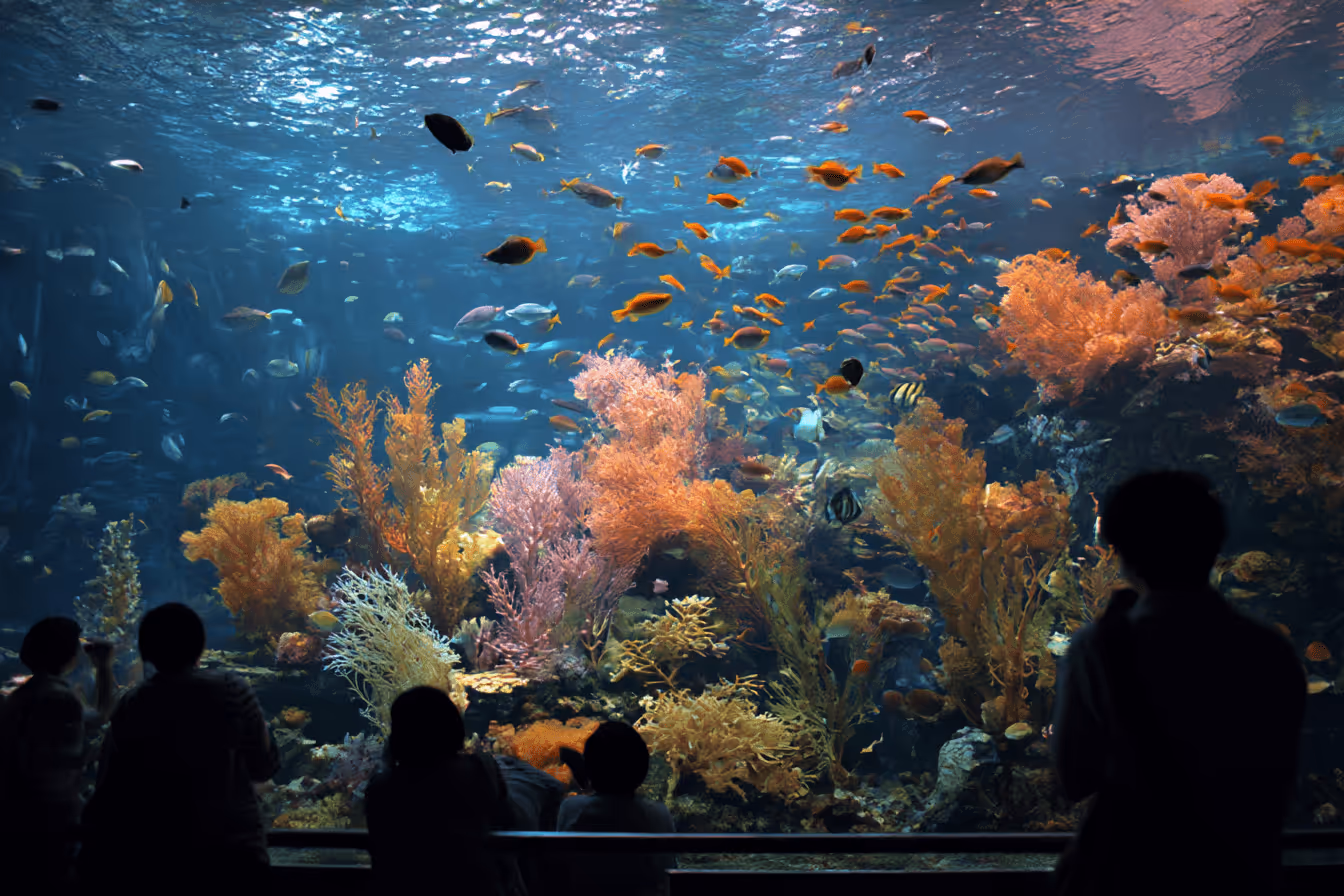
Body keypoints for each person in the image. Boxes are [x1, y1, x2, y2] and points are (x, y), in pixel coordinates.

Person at [1052, 471, 1306, 896]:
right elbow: (1278, 779)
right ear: (1215, 541)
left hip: (1129, 873)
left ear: (1120, 549)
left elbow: (1075, 778)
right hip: (1237, 872)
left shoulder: (1098, 647)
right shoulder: (1269, 651)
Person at [79, 603, 279, 894]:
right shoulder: (232, 689)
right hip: (233, 855)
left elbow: (109, 787)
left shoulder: (135, 703)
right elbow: (265, 767)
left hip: (159, 860)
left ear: (146, 652)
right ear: (200, 645)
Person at [364, 685, 523, 895]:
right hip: (477, 885)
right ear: (454, 725)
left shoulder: (381, 787)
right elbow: (508, 822)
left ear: (399, 732)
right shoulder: (480, 769)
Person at [0, 617, 115, 891]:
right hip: (47, 827)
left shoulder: (21, 694)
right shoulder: (58, 699)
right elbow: (54, 772)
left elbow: (98, 715)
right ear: (70, 653)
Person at [556, 721, 676, 896]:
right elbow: (666, 872)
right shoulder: (657, 813)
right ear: (643, 769)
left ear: (589, 769)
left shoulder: (572, 808)